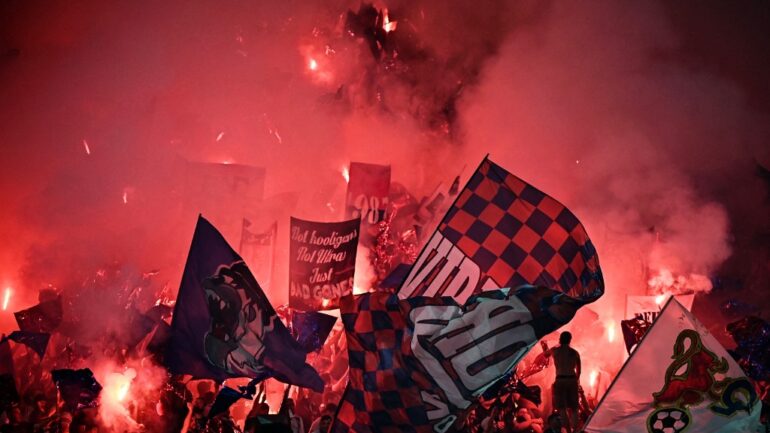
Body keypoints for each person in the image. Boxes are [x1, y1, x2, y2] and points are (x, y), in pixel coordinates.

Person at [546, 332, 580, 433]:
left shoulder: (555, 351)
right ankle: (575, 430)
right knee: (574, 407)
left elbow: (545, 355)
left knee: (562, 407)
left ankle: (568, 430)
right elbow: (579, 370)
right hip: (572, 379)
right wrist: (575, 381)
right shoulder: (574, 352)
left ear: (560, 339)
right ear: (570, 340)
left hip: (560, 380)